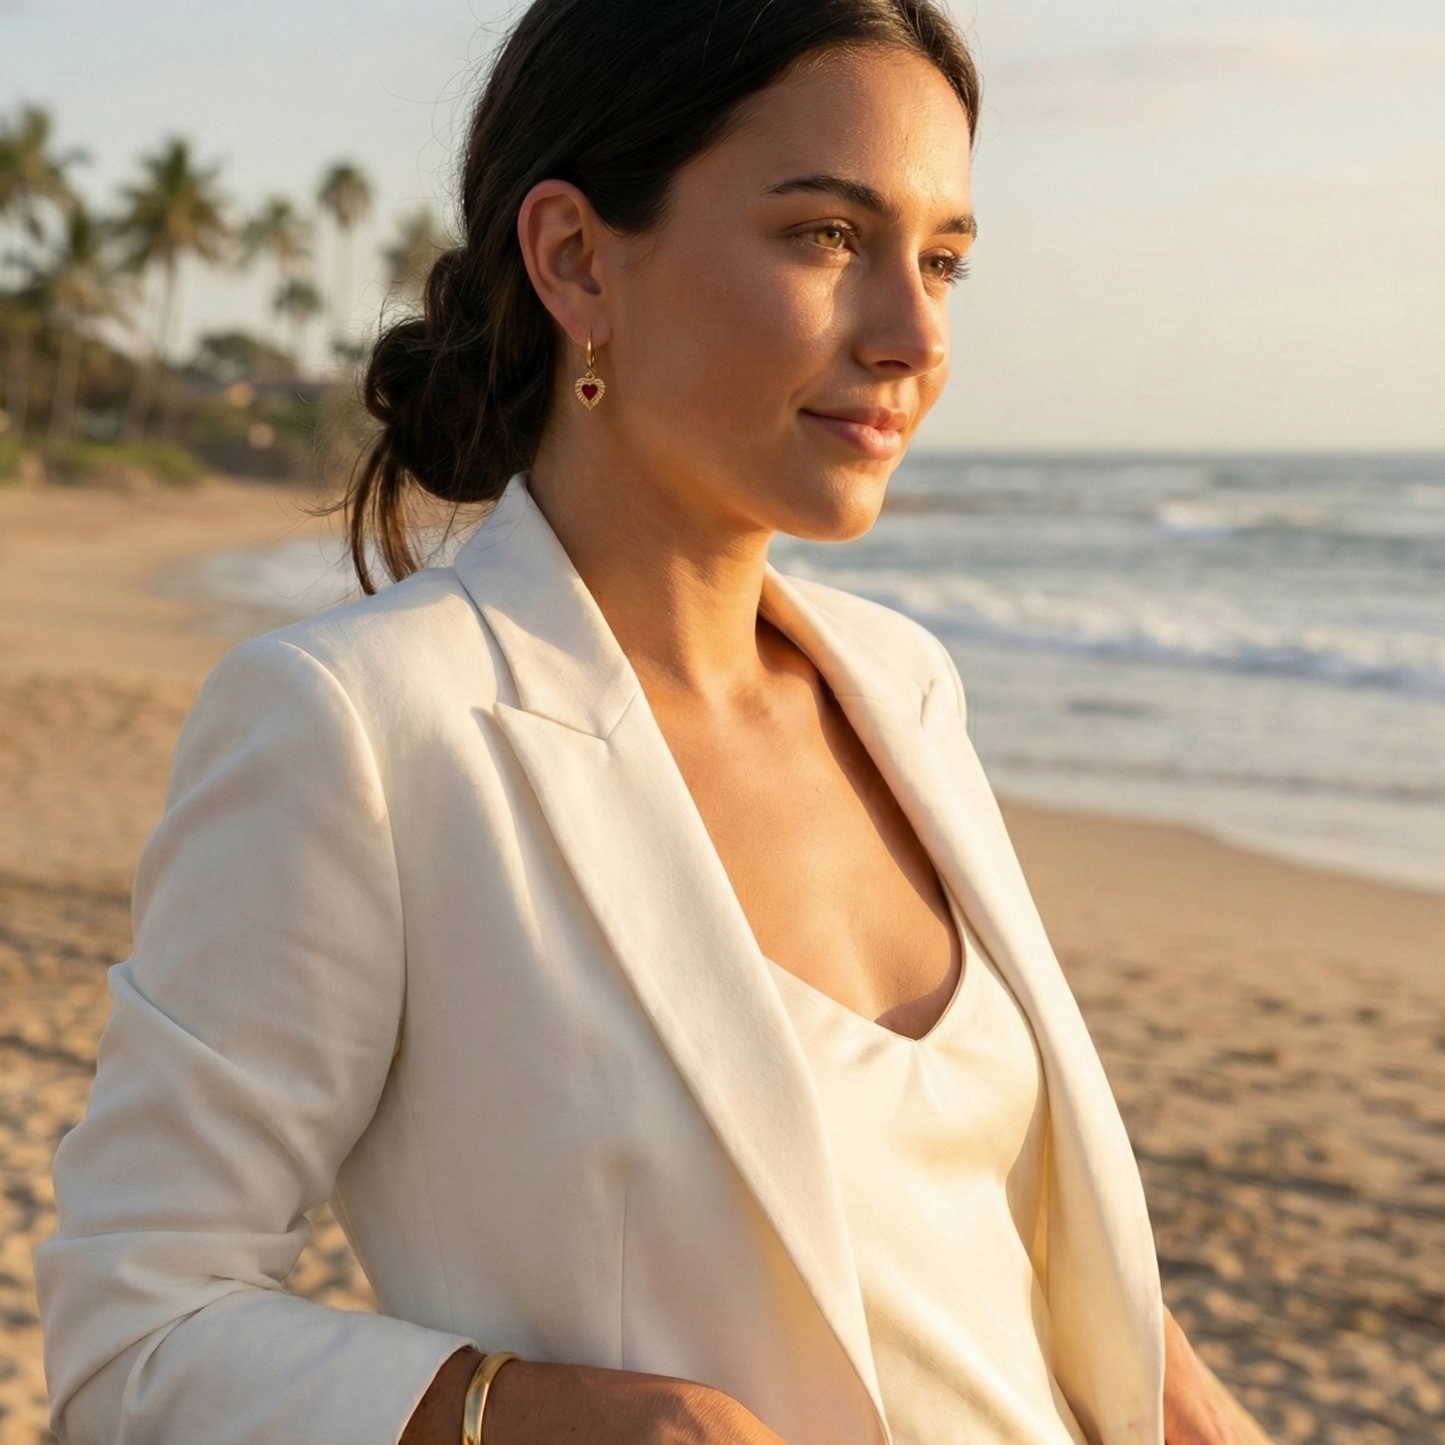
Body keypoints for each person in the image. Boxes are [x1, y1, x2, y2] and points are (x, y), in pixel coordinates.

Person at [37, 2, 1246, 1443]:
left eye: (941, 261)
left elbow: (987, 1232)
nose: (914, 335)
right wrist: (550, 1417)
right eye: (825, 238)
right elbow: (133, 1334)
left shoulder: (904, 685)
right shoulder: (363, 731)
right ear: (575, 259)